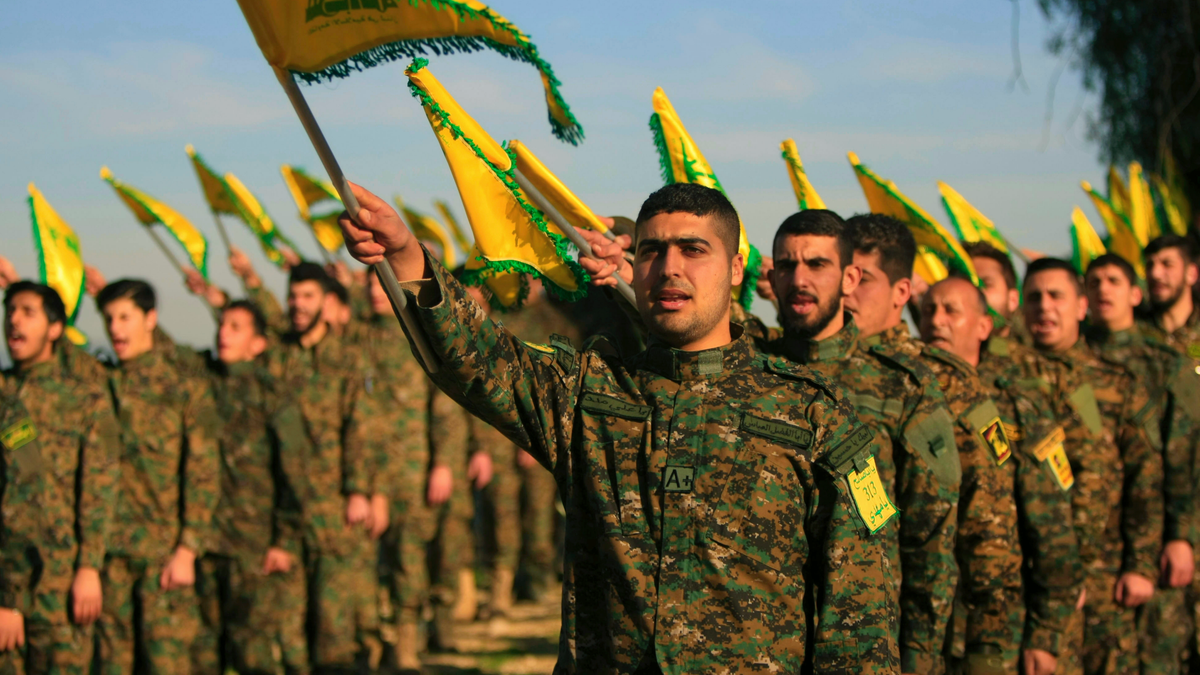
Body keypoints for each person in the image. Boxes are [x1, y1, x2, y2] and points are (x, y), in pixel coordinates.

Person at [339, 181, 899, 673]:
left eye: (693, 250)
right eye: (653, 251)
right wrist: (409, 258)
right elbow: (479, 361)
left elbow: (860, 625)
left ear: (735, 270)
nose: (670, 268)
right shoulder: (591, 394)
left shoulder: (815, 418)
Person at [843, 214, 1021, 674]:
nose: (847, 291)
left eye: (864, 279)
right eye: (843, 275)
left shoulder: (949, 384)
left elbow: (991, 526)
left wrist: (991, 650)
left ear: (902, 294)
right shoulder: (806, 369)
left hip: (924, 633)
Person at [921, 276, 1084, 675]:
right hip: (922, 627)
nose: (937, 321)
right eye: (928, 311)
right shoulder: (909, 396)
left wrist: (1046, 633)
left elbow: (1051, 527)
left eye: (951, 311)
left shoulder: (1014, 404)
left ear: (983, 327)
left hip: (995, 631)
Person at [1022, 258, 1162, 674]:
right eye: (1034, 298)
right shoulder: (1002, 380)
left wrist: (1140, 564)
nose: (1045, 307)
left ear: (1081, 306)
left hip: (1105, 580)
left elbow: (1146, 479)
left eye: (1056, 296)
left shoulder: (1117, 384)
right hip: (1031, 580)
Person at [178, 295, 313, 675]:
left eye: (236, 328)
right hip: (206, 542)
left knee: (252, 651)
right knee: (203, 650)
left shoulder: (271, 393)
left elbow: (295, 471)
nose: (223, 334)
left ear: (258, 344)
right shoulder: (203, 382)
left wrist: (284, 541)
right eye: (222, 325)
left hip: (253, 547)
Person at [93, 279, 221, 674]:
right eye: (109, 318)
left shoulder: (186, 387)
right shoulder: (101, 385)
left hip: (163, 557)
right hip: (110, 556)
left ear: (150, 319)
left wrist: (187, 549)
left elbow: (204, 473)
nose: (115, 328)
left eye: (125, 317)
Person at [1083, 254, 1198, 675]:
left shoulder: (1164, 362)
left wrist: (1179, 535)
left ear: (1135, 293)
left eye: (1114, 280)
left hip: (1155, 536)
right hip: (1097, 545)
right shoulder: (1073, 360)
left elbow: (1183, 457)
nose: (1103, 289)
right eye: (1094, 282)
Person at [0, 282, 121, 674]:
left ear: (55, 330)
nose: (13, 320)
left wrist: (88, 567)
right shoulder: (4, 395)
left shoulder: (85, 400)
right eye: (10, 310)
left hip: (58, 582)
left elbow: (99, 489)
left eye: (28, 312)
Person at [268, 263, 380, 672]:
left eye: (308, 297)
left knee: (333, 620)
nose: (298, 305)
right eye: (293, 296)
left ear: (326, 303)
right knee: (289, 623)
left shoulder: (347, 358)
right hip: (285, 509)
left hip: (333, 506)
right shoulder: (278, 358)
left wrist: (357, 490)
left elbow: (360, 425)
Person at [1140, 235, 1200, 370]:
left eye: (1167, 264)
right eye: (1149, 265)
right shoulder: (1135, 332)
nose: (1155, 274)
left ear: (1191, 273)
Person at [964, 242, 1029, 345]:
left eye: (986, 284)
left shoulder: (1031, 359)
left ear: (1013, 299)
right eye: (967, 285)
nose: (976, 292)